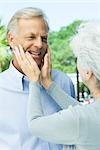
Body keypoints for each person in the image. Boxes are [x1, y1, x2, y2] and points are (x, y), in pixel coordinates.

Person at [14, 21, 100, 150]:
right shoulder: (88, 115)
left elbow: (35, 125)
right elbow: (85, 115)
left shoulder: (82, 119)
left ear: (88, 72)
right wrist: (49, 84)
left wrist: (34, 82)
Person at [0, 7, 75, 150]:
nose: (39, 45)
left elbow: (79, 128)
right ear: (11, 39)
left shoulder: (63, 82)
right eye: (31, 37)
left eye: (44, 38)